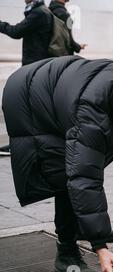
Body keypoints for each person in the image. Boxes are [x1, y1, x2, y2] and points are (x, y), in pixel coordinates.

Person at [2, 56, 113, 272]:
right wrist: (100, 245)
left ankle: (80, 227)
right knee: (64, 171)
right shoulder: (92, 114)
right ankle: (66, 252)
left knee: (77, 165)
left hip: (51, 85)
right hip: (27, 98)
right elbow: (84, 177)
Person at [0, 0, 53, 157]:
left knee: (26, 106)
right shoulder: (43, 11)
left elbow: (16, 31)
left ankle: (20, 146)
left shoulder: (38, 13)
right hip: (38, 66)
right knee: (32, 106)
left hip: (33, 66)